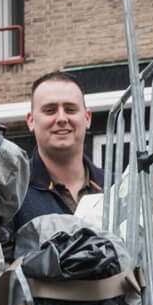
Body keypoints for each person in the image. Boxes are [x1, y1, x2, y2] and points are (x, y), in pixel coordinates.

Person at [12, 70, 102, 225]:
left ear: (87, 118)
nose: (61, 118)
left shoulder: (117, 188)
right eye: (50, 110)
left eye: (70, 109)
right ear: (31, 121)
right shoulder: (11, 191)